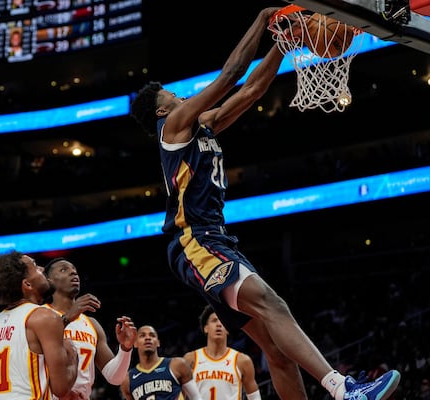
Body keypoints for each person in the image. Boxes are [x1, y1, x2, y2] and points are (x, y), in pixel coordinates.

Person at [129, 6, 401, 400]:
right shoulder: (171, 127)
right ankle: (345, 389)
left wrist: (283, 43)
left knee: (276, 350)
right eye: (173, 93)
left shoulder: (202, 125)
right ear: (161, 109)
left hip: (213, 242)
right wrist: (261, 19)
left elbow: (252, 90)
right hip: (195, 242)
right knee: (273, 303)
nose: (181, 94)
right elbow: (230, 76)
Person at [0, 250, 78, 399]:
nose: (42, 269)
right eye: (35, 266)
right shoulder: (45, 317)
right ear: (27, 284)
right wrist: (73, 357)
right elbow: (61, 388)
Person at [43, 258, 138, 400]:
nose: (73, 272)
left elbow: (114, 378)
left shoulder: (91, 324)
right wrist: (68, 317)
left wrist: (125, 349)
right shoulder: (40, 315)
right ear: (49, 281)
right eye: (64, 270)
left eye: (74, 270)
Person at [183, 304, 260, 400]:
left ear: (227, 329)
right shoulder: (190, 359)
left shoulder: (242, 361)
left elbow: (255, 398)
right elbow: (180, 396)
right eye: (214, 320)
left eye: (222, 321)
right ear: (206, 328)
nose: (219, 324)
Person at [120, 325, 202, 400]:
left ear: (158, 343)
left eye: (152, 335)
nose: (148, 338)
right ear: (135, 344)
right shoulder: (127, 380)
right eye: (142, 335)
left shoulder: (177, 365)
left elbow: (196, 397)